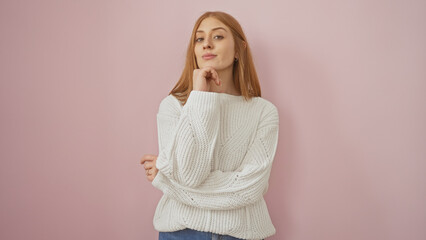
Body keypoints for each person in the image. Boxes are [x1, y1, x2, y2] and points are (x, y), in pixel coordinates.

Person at [141, 11, 279, 240]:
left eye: (218, 37)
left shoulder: (263, 112)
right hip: (180, 233)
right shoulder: (173, 107)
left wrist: (165, 178)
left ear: (239, 49)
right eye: (199, 38)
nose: (206, 44)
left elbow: (249, 188)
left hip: (240, 234)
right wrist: (200, 97)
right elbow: (189, 175)